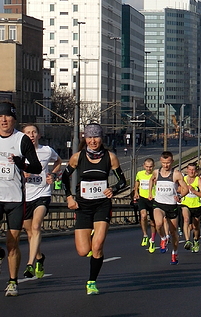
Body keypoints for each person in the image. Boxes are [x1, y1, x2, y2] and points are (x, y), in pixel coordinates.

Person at [61, 123, 126, 295]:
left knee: (97, 246)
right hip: (83, 206)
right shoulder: (78, 157)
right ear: (85, 138)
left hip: (102, 205)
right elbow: (63, 178)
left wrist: (113, 189)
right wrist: (68, 197)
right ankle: (90, 234)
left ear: (101, 138)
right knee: (83, 251)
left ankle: (91, 282)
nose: (93, 141)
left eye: (96, 137)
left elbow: (122, 181)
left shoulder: (110, 157)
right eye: (89, 137)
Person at [0, 101, 42, 296]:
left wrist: (20, 164)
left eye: (7, 116)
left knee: (12, 241)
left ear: (14, 119)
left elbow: (36, 167)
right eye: (0, 117)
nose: (3, 120)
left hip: (15, 198)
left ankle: (12, 281)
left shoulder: (21, 140)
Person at [22, 124, 62, 279]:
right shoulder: (20, 152)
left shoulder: (46, 151)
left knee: (36, 226)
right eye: (28, 132)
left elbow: (58, 161)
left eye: (34, 132)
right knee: (30, 233)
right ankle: (39, 257)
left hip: (42, 194)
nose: (31, 135)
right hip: (26, 196)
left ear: (39, 135)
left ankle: (30, 264)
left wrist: (52, 173)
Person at [149, 151, 188, 265]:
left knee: (173, 232)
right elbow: (151, 179)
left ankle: (174, 252)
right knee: (158, 224)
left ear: (172, 162)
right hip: (159, 203)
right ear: (160, 162)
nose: (166, 165)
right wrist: (150, 193)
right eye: (164, 163)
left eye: (168, 163)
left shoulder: (176, 174)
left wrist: (180, 196)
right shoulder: (156, 172)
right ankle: (162, 239)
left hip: (171, 205)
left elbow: (185, 189)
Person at [180, 163, 201, 253]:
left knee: (196, 227)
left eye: (193, 170)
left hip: (196, 205)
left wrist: (194, 191)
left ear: (196, 171)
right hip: (185, 204)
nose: (191, 171)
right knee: (186, 219)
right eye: (190, 169)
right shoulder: (183, 179)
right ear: (186, 170)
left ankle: (196, 240)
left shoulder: (198, 180)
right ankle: (188, 241)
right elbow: (178, 189)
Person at [133, 158, 157, 253]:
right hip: (143, 198)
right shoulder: (140, 174)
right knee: (143, 216)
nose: (148, 168)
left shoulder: (155, 174)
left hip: (153, 198)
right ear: (144, 166)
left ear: (153, 166)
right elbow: (137, 182)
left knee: (152, 222)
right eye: (147, 166)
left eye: (150, 166)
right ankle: (145, 235)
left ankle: (153, 240)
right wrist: (135, 191)